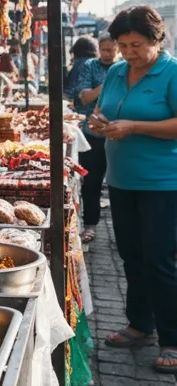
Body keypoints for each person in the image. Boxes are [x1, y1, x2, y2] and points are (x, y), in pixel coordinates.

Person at [89, 5, 177, 374]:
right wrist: (97, 123)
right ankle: (139, 324)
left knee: (160, 259)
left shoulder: (171, 72)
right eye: (122, 45)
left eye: (136, 45)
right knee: (132, 256)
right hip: (121, 180)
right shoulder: (117, 72)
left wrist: (136, 127)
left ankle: (172, 338)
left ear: (157, 39)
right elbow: (100, 111)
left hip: (163, 182)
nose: (128, 53)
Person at [66, 34, 118, 243]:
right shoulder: (90, 66)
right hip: (92, 134)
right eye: (104, 49)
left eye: (112, 49)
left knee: (118, 184)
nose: (108, 53)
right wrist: (108, 84)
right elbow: (84, 96)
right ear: (98, 49)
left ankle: (122, 229)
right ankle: (90, 225)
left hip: (119, 133)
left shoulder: (124, 67)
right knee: (93, 181)